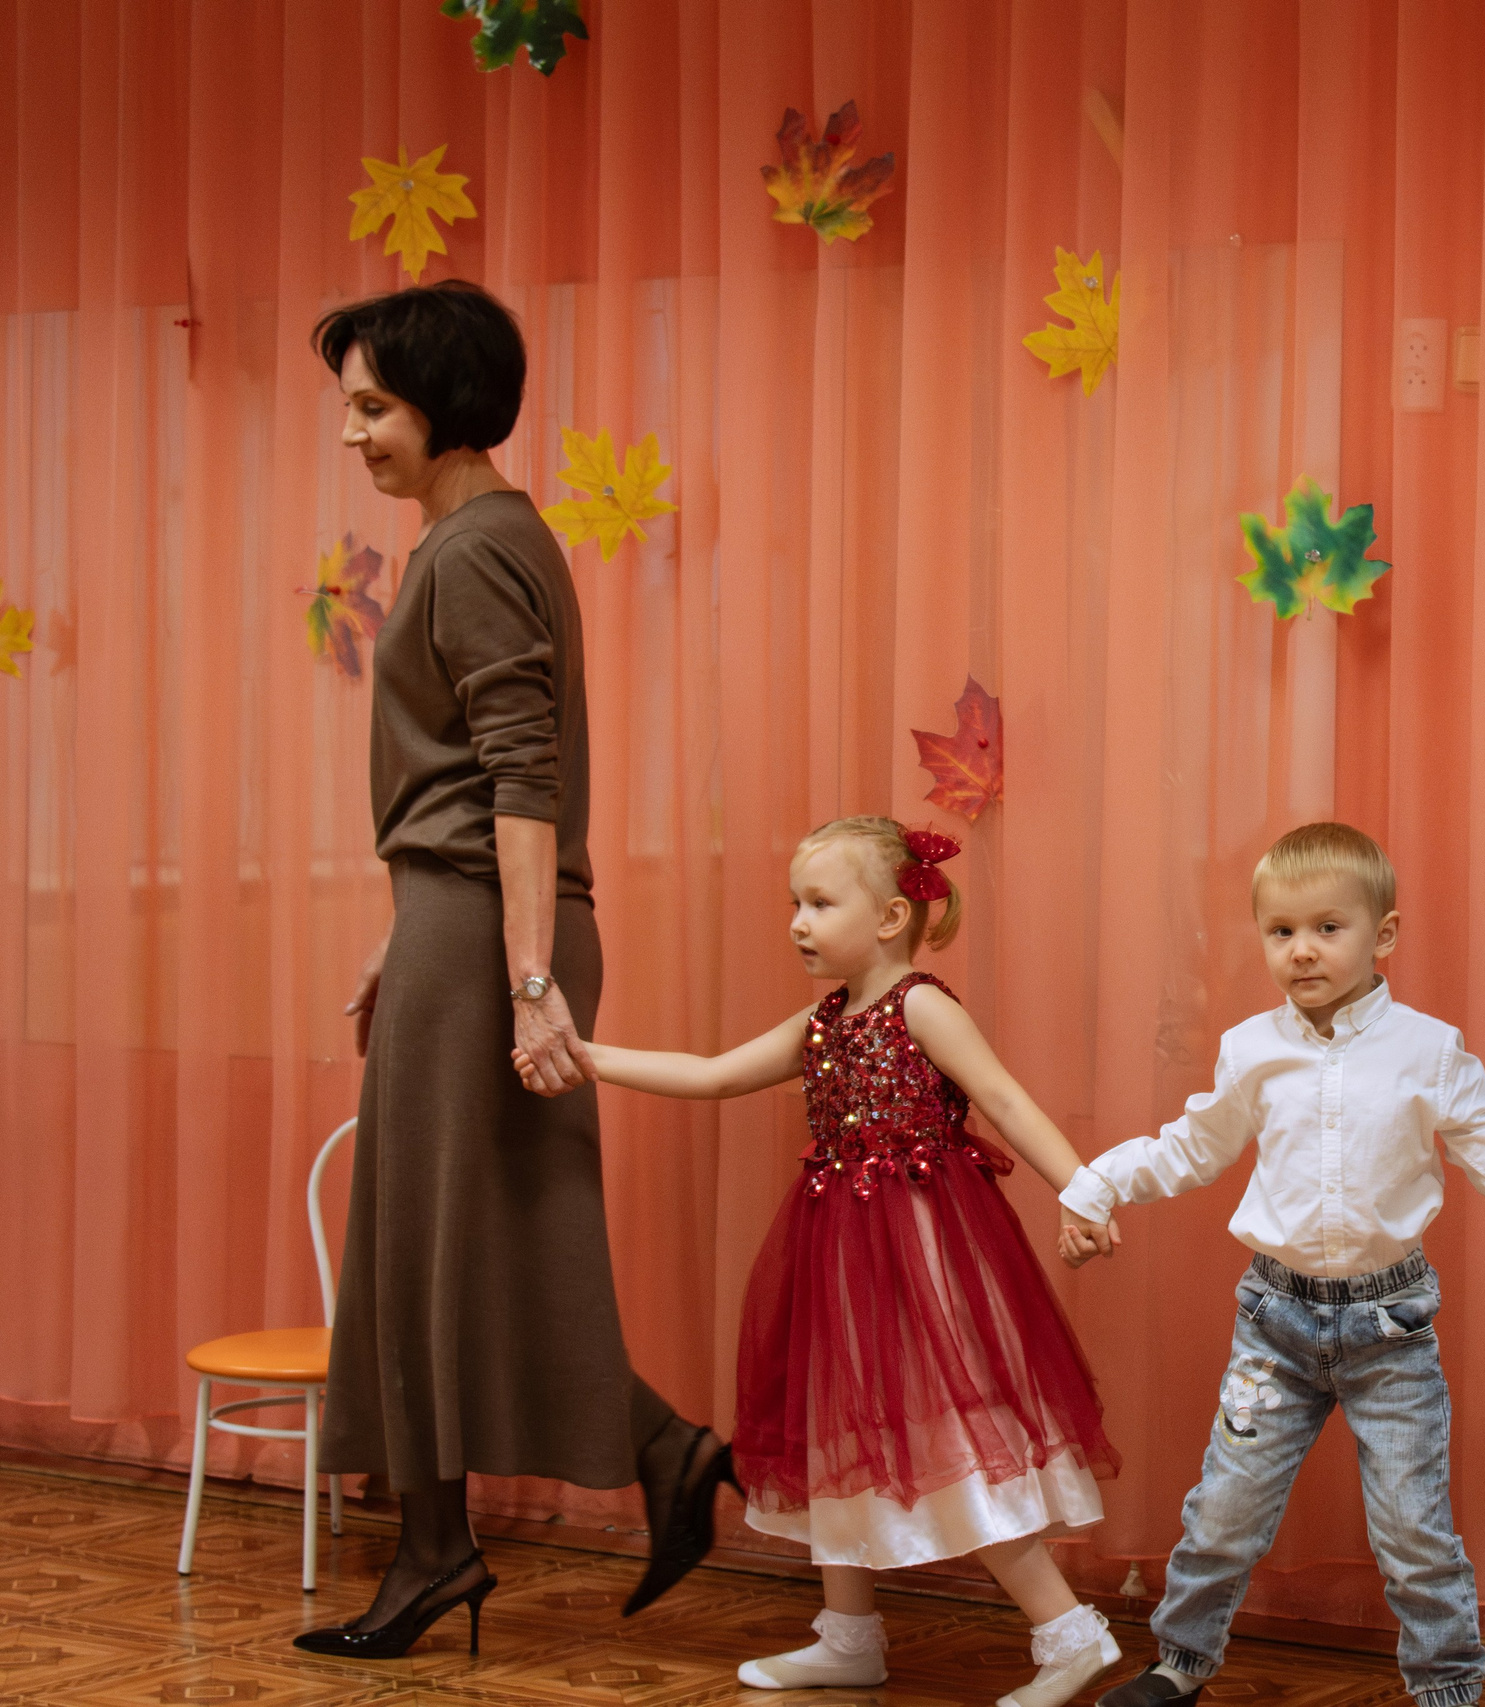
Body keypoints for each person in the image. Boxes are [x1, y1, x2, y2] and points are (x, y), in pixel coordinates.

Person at [300, 282, 728, 1661]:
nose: (353, 434)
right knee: (440, 1243)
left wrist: (528, 976)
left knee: (439, 1240)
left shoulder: (474, 548)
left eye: (373, 405)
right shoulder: (482, 537)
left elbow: (521, 778)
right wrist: (408, 927)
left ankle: (487, 1523)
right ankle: (478, 1525)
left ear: (443, 402)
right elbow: (471, 791)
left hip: (491, 932)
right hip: (461, 921)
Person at [519, 817, 1121, 1706]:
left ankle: (1070, 1634)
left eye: (819, 903)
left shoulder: (922, 1005)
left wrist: (1084, 1188)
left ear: (887, 917)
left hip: (924, 1253)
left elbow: (1002, 1097)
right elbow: (715, 1072)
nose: (798, 921)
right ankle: (848, 1637)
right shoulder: (822, 1022)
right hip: (839, 1255)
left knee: (951, 1434)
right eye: (794, 904)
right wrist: (586, 1057)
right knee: (838, 1430)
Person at [1060, 822, 1485, 1707]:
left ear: (1383, 935)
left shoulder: (1428, 1050)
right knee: (1224, 1512)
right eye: (1281, 931)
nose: (1303, 950)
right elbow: (1192, 1146)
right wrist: (1097, 1184)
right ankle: (1180, 1665)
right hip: (1273, 1324)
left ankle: (1446, 1688)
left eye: (1328, 927)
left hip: (1388, 1328)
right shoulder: (1252, 1048)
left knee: (1414, 1530)